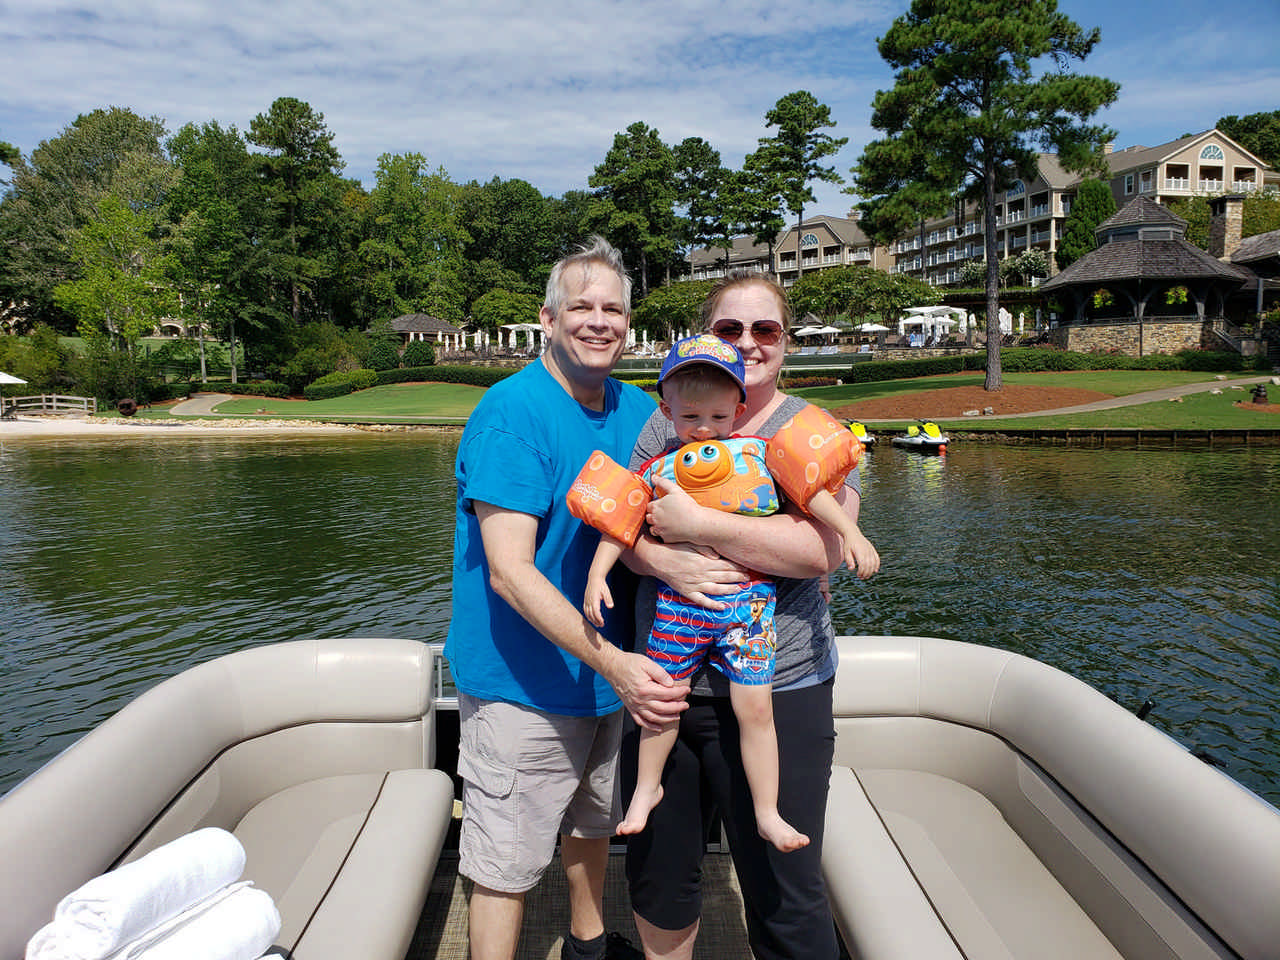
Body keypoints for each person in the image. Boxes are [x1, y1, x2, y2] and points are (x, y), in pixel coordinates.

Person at [443, 236, 688, 960]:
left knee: (590, 823)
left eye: (614, 309)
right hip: (521, 685)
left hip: (608, 676)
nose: (599, 321)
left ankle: (587, 944)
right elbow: (509, 572)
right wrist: (615, 663)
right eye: (581, 307)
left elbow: (708, 477)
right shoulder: (512, 413)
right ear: (548, 320)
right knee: (505, 864)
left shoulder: (641, 410)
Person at [621, 270, 870, 960]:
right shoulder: (665, 420)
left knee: (786, 890)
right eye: (730, 328)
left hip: (781, 685)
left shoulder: (809, 431)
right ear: (708, 336)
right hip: (668, 682)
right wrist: (662, 560)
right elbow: (625, 526)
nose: (750, 342)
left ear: (786, 341)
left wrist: (700, 525)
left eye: (766, 329)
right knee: (659, 880)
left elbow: (819, 551)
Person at [578, 334, 877, 854]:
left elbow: (812, 494)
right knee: (663, 703)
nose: (704, 428)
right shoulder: (656, 468)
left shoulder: (760, 455)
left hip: (750, 611)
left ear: (738, 412)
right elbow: (619, 521)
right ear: (667, 412)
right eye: (690, 417)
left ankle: (767, 812)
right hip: (679, 610)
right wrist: (596, 574)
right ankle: (647, 789)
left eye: (718, 417)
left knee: (755, 709)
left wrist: (851, 533)